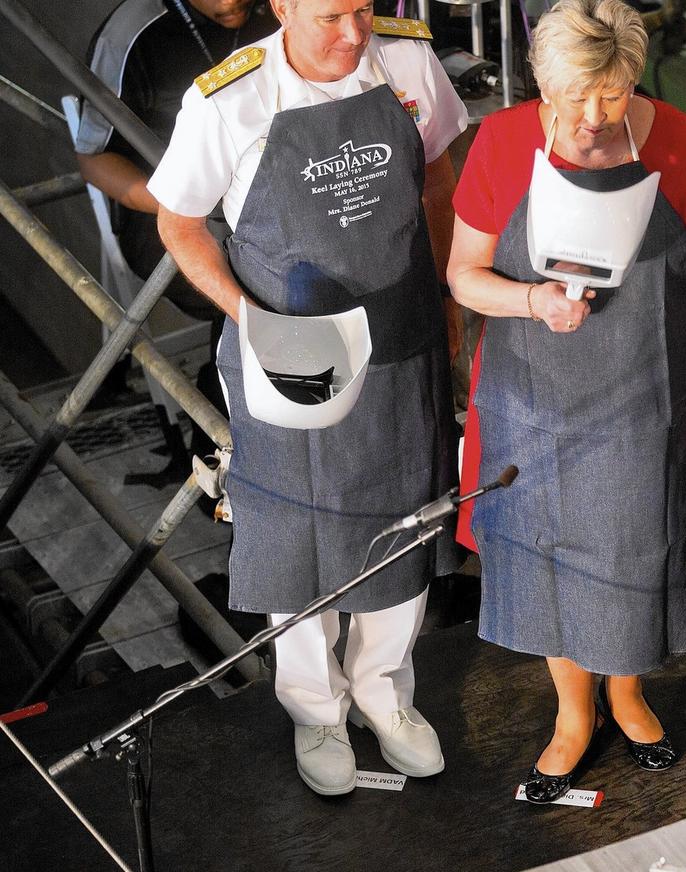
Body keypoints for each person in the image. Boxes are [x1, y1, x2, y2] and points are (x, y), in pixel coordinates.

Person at [148, 0, 468, 795]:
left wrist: (451, 308)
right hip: (292, 359)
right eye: (328, 16)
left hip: (401, 340)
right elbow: (179, 225)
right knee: (299, 532)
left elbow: (435, 181)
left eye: (363, 9)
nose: (352, 34)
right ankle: (316, 711)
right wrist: (250, 320)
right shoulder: (228, 99)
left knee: (405, 517)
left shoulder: (408, 61)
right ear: (282, 6)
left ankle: (385, 694)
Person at [446, 0, 686, 803]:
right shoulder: (502, 144)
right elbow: (464, 275)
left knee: (632, 551)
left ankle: (627, 693)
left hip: (645, 400)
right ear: (540, 83)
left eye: (610, 95)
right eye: (572, 97)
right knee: (547, 561)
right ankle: (572, 715)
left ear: (633, 78)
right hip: (531, 405)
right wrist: (532, 301)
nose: (589, 117)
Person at [74, 0, 276, 461]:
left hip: (277, 201)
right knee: (254, 275)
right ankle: (228, 456)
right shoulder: (132, 32)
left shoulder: (276, 8)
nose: (234, 2)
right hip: (169, 214)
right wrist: (187, 203)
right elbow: (92, 159)